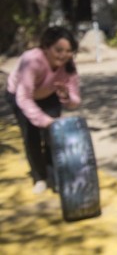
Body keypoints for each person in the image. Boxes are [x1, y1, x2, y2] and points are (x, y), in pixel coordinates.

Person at [5, 26, 81, 194]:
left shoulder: (68, 66)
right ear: (46, 47)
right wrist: (46, 121)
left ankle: (53, 170)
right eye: (58, 50)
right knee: (31, 136)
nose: (64, 55)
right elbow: (24, 98)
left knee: (53, 136)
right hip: (20, 95)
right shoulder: (32, 60)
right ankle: (39, 177)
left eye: (69, 51)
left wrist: (66, 96)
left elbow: (75, 101)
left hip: (48, 94)